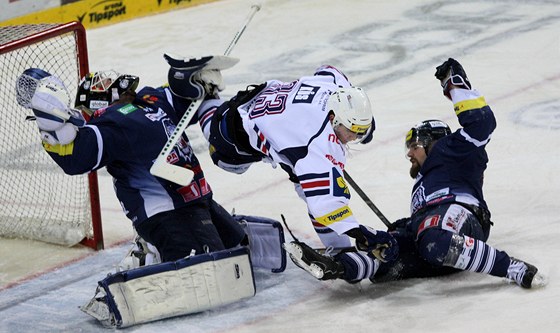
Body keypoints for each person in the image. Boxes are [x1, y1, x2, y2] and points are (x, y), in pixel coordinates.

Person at [284, 58, 541, 289]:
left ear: (435, 142)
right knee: (385, 252)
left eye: (415, 146)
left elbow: (482, 124)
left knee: (433, 239)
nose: (409, 154)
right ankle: (336, 267)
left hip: (461, 221)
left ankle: (512, 267)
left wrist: (454, 84)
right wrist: (402, 229)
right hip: (432, 243)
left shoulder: (454, 151)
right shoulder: (425, 181)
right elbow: (428, 217)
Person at [182, 64, 400, 282]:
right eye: (351, 132)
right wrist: (364, 234)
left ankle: (339, 249)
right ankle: (207, 95)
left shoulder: (334, 88)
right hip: (233, 131)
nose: (353, 138)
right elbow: (327, 207)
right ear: (333, 118)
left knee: (307, 183)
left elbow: (329, 70)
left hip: (262, 100)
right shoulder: (316, 144)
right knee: (224, 157)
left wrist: (362, 126)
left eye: (359, 133)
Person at [15, 59, 246, 263]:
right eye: (102, 84)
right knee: (212, 266)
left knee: (242, 247)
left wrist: (200, 82)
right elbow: (77, 159)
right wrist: (53, 124)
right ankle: (153, 252)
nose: (110, 80)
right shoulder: (111, 122)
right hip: (166, 213)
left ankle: (151, 251)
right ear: (97, 102)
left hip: (196, 202)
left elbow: (186, 96)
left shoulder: (151, 100)